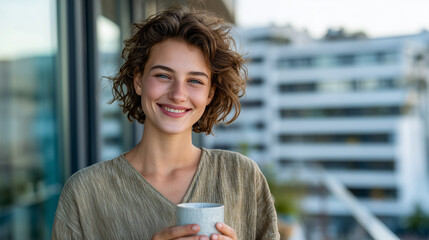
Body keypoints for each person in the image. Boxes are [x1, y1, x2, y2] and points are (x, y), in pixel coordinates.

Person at [52, 6, 280, 240]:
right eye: (163, 75)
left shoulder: (243, 178)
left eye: (194, 80)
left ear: (210, 94)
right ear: (139, 80)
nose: (178, 94)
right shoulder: (84, 194)